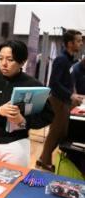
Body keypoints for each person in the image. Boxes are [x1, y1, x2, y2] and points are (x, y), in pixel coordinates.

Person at [0, 41, 53, 167]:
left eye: (10, 60)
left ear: (22, 62)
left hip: (16, 143)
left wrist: (23, 120)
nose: (4, 63)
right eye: (1, 58)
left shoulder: (33, 85)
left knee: (13, 182)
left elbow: (47, 116)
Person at [36, 30, 84, 172]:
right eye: (79, 41)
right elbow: (54, 83)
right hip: (58, 101)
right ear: (70, 43)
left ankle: (41, 158)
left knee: (60, 133)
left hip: (64, 102)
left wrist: (73, 95)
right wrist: (70, 96)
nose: (81, 43)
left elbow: (67, 81)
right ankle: (45, 162)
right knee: (56, 133)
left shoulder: (69, 60)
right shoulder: (61, 60)